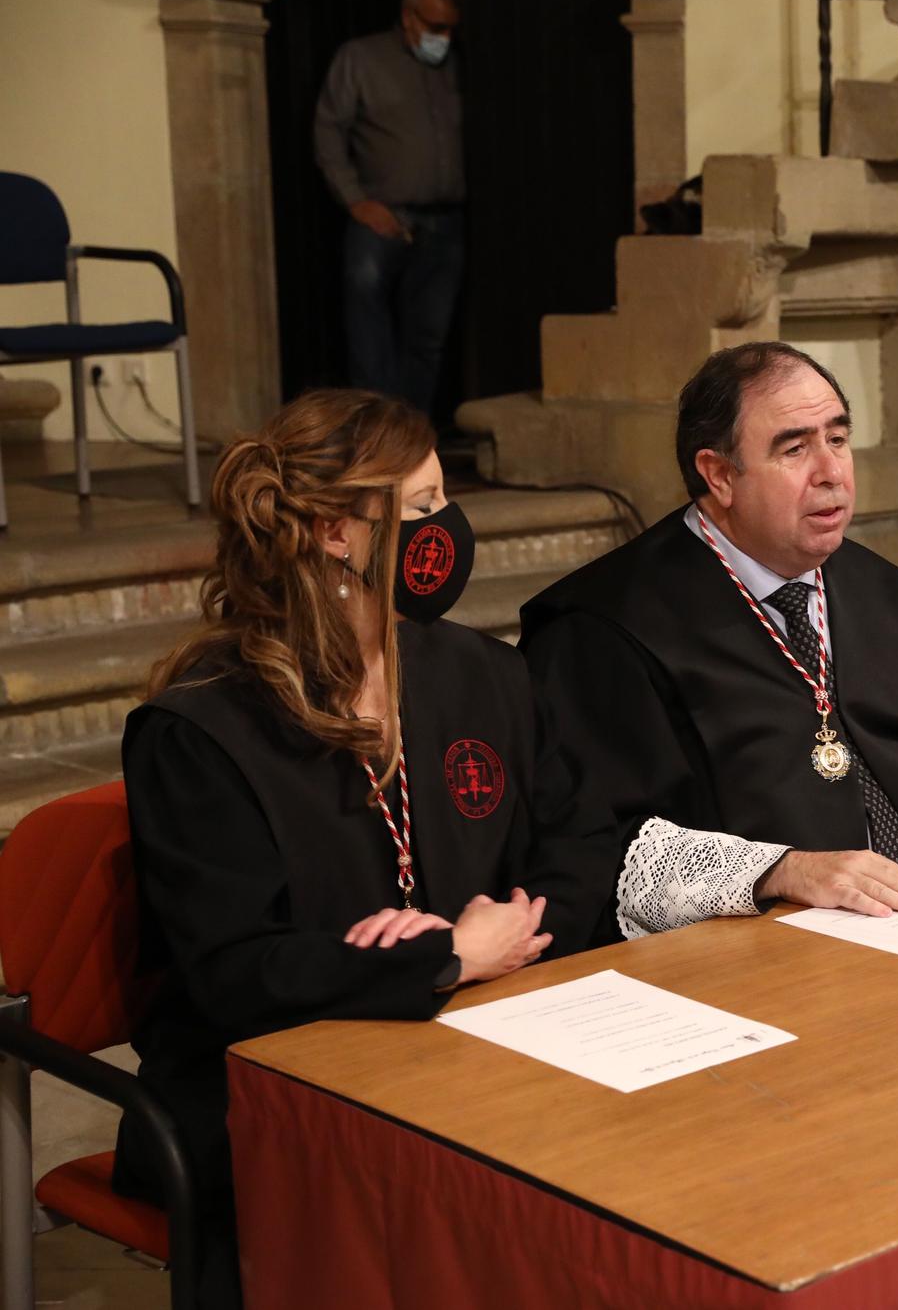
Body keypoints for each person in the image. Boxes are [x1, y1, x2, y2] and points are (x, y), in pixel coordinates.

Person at [118, 389, 619, 1307]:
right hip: (275, 1087)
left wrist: (509, 927)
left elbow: (580, 839)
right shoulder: (202, 725)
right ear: (331, 532)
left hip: (482, 1039)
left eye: (444, 503)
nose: (450, 529)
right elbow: (232, 970)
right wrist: (440, 959)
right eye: (422, 508)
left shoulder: (483, 671)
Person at [520, 342, 898, 937]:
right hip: (759, 950)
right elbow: (591, 843)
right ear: (718, 475)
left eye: (837, 439)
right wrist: (778, 870)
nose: (832, 472)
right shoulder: (601, 630)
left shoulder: (879, 586)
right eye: (795, 447)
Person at [313, 0, 466, 420]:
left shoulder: (456, 65)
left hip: (445, 220)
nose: (444, 37)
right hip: (381, 217)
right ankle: (376, 445)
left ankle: (413, 440)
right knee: (370, 337)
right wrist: (356, 201)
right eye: (436, 26)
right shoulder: (360, 59)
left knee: (428, 338)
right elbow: (327, 132)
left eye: (451, 28)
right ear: (408, 17)